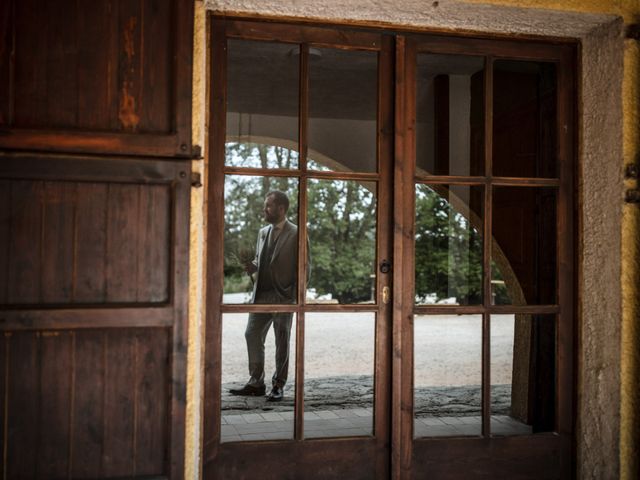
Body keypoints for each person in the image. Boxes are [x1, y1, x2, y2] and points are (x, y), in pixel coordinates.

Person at [230, 190, 299, 402]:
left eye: (268, 205)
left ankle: (278, 385)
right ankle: (256, 383)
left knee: (282, 341)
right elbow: (262, 261)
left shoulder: (296, 233)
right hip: (261, 295)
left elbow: (305, 267)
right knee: (252, 334)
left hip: (284, 297)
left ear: (281, 208)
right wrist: (253, 267)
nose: (264, 209)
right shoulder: (262, 232)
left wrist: (295, 297)